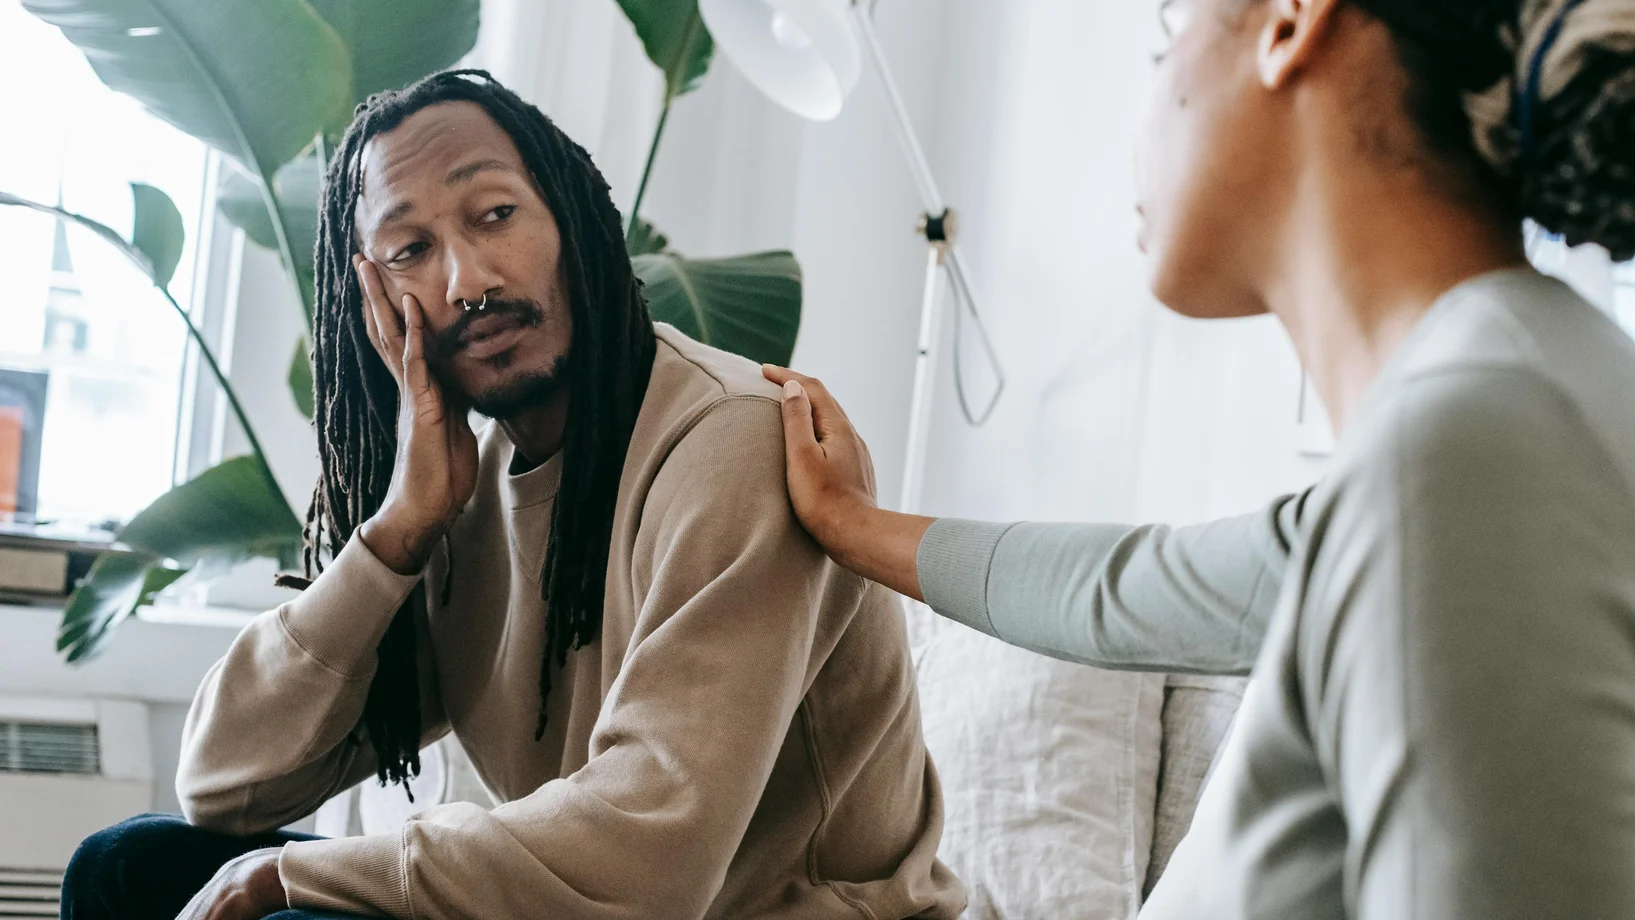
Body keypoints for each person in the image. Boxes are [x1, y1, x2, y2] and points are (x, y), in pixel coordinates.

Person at [765, 0, 1635, 917]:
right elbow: (1127, 589)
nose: (1144, 108)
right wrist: (850, 525)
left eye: (1162, 40)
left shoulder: (1466, 457)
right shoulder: (1503, 407)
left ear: (1292, 23)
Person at [62, 70, 962, 920]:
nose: (468, 282)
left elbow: (652, 857)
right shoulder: (462, 490)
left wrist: (293, 872)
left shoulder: (731, 440)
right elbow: (226, 784)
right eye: (412, 249)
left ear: (567, 216)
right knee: (124, 870)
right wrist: (396, 533)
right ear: (376, 303)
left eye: (495, 214)